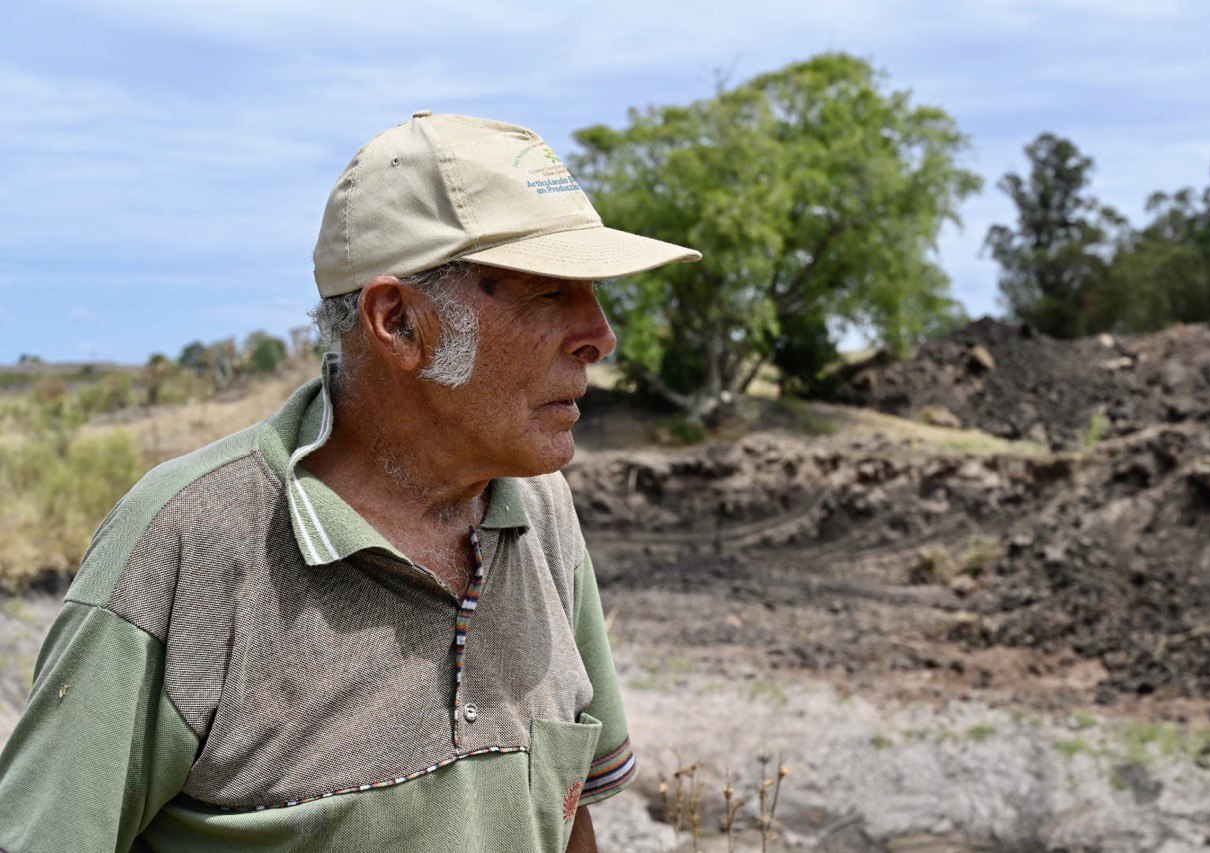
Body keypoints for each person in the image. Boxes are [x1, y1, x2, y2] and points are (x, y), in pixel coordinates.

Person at [0, 111, 700, 852]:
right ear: (398, 322)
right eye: (548, 293)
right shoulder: (190, 542)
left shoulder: (538, 509)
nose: (600, 333)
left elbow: (566, 816)